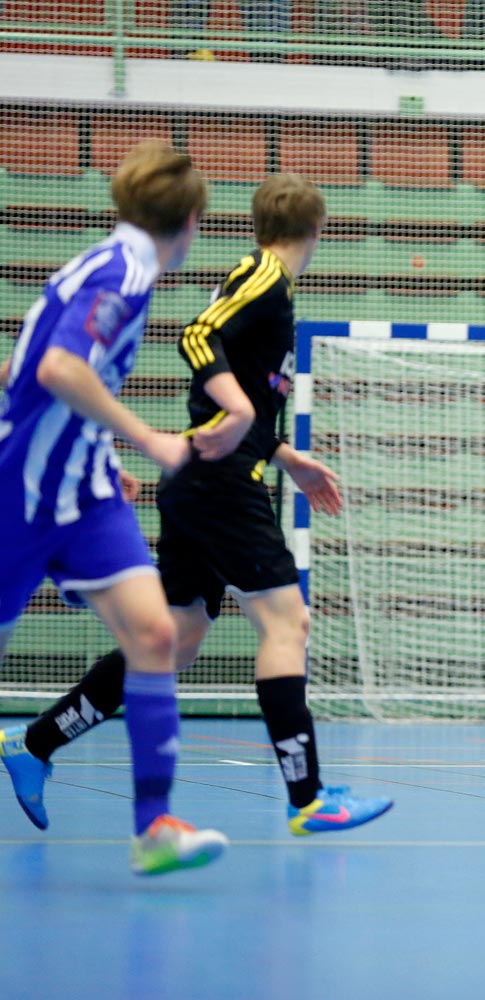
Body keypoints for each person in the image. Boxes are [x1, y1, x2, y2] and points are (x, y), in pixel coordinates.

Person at [1, 174, 393, 840]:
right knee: (287, 622)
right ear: (317, 232)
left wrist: (283, 453)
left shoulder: (260, 276)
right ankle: (308, 797)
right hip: (218, 484)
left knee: (172, 640)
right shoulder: (264, 276)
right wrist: (233, 413)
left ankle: (35, 744)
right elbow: (199, 336)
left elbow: (235, 387)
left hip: (207, 479)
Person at [0, 141, 228, 876]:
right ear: (190, 220)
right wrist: (151, 441)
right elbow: (56, 366)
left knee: (156, 633)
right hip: (20, 492)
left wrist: (98, 453)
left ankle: (152, 827)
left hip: (83, 489)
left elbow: (25, 367)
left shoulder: (106, 263)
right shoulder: (124, 273)